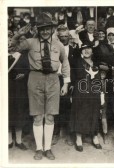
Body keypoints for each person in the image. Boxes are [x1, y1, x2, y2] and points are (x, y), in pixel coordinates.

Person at [9, 12, 70, 160]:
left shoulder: (58, 45)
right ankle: (38, 148)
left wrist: (66, 83)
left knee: (49, 116)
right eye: (41, 29)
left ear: (51, 28)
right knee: (37, 116)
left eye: (47, 28)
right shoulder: (30, 42)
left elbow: (65, 63)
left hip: (54, 80)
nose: (44, 31)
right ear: (37, 29)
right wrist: (18, 35)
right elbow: (12, 48)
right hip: (35, 79)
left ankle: (47, 148)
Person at [69, 44, 102, 152]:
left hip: (94, 91)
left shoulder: (96, 62)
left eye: (89, 48)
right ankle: (79, 138)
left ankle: (94, 136)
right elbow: (72, 78)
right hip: (80, 91)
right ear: (81, 51)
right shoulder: (76, 62)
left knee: (94, 112)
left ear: (92, 50)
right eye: (84, 49)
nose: (86, 51)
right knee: (80, 113)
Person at [52, 25, 76, 146]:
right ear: (58, 37)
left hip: (68, 81)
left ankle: (69, 134)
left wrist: (73, 83)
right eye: (61, 36)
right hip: (55, 79)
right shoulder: (53, 48)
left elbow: (76, 68)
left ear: (69, 37)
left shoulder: (74, 50)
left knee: (68, 107)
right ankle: (55, 133)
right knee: (55, 107)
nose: (64, 39)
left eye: (66, 36)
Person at [8, 35, 30, 151]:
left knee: (19, 113)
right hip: (6, 88)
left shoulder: (23, 56)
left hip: (20, 88)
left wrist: (24, 74)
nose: (11, 46)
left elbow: (29, 68)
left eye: (12, 44)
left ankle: (19, 140)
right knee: (8, 112)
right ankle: (9, 140)